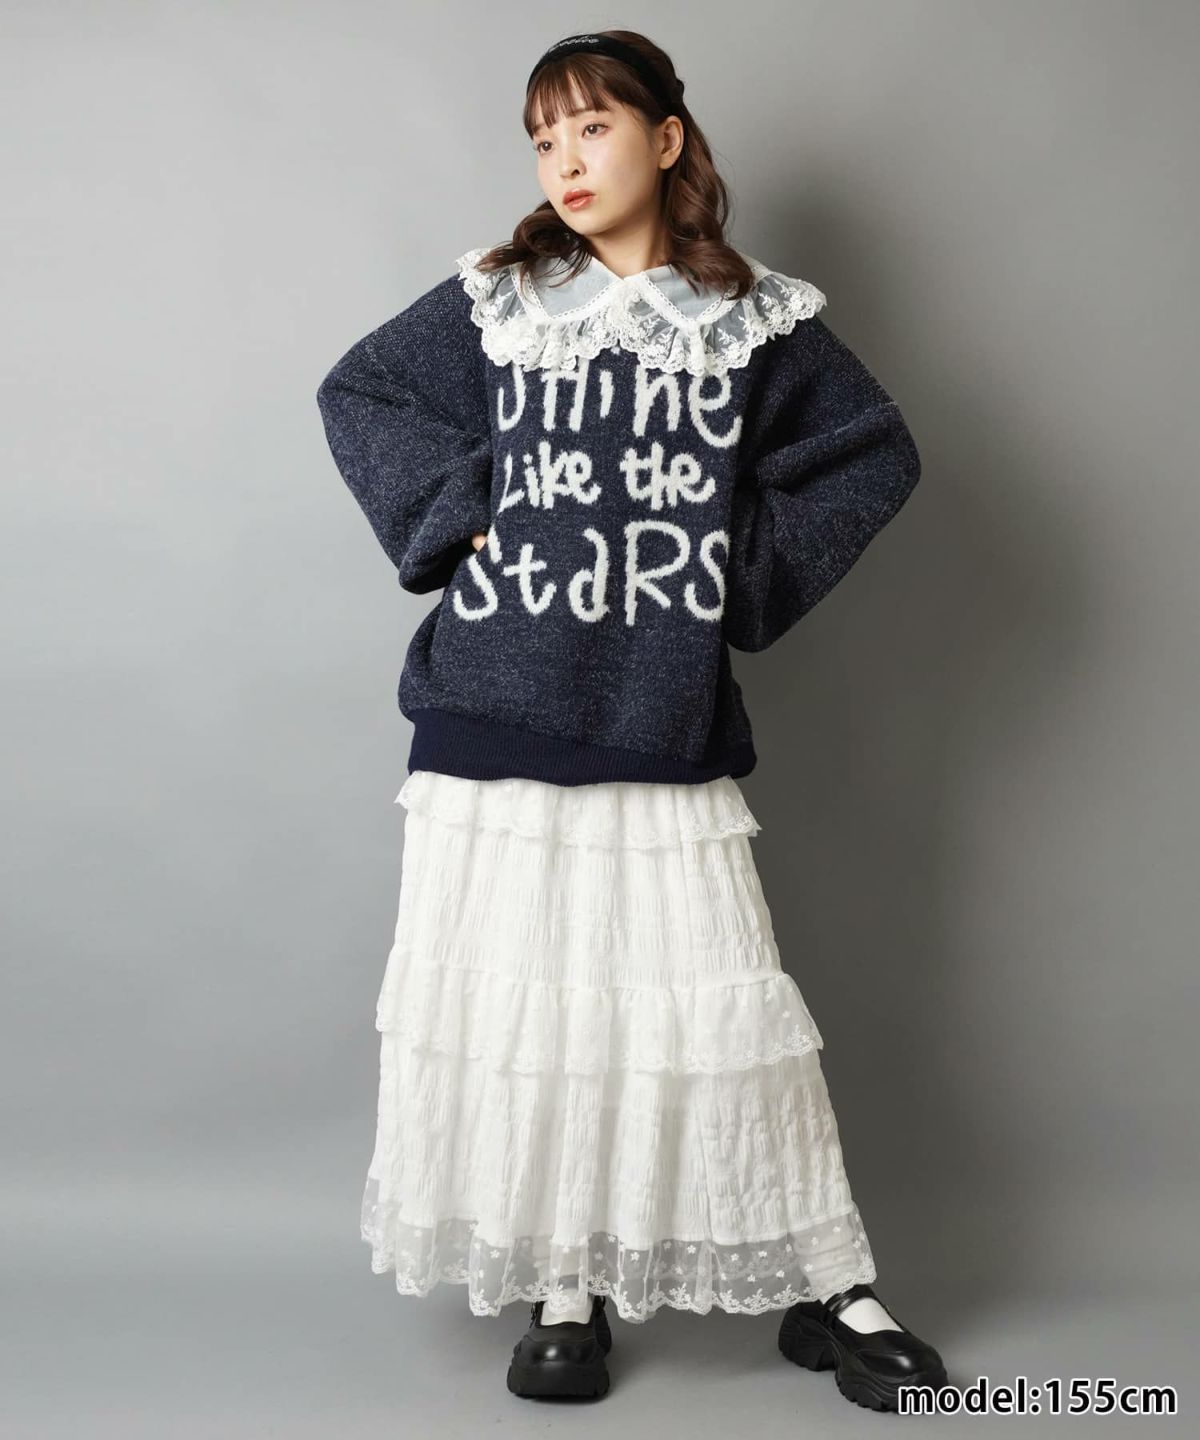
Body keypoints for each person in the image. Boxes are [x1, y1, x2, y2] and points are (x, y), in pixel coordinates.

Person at [316, 27, 949, 1412]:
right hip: (493, 707)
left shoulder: (750, 321)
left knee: (707, 1011)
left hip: (660, 718)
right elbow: (361, 393)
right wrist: (462, 514)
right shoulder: (500, 300)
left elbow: (870, 453)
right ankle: (567, 1277)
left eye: (591, 127)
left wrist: (735, 573)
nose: (565, 159)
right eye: (543, 138)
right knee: (535, 1009)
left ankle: (828, 1281)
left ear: (665, 140)